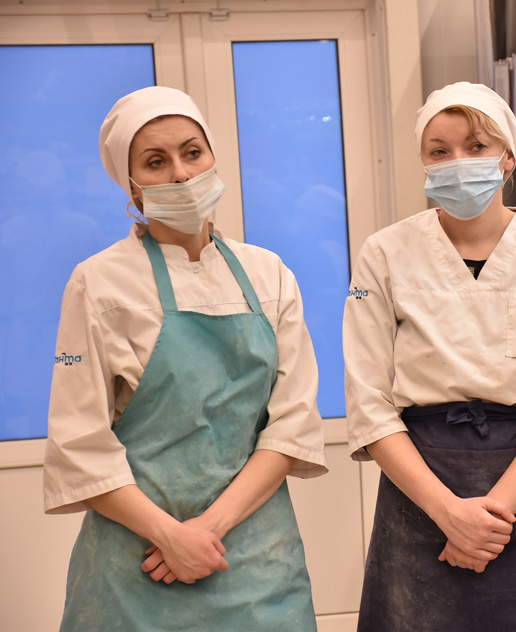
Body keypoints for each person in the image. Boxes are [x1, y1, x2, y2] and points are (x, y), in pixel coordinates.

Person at [43, 86, 327, 631]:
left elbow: (291, 425)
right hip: (138, 562)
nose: (180, 174)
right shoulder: (99, 283)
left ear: (213, 157)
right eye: (156, 162)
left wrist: (207, 530)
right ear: (131, 184)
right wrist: (169, 536)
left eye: (192, 153)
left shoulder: (269, 274)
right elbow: (80, 443)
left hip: (254, 559)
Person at [342, 82, 516, 632]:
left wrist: (488, 519)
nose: (458, 162)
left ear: (508, 158)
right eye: (439, 151)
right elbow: (369, 404)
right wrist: (448, 513)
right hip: (422, 496)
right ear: (423, 162)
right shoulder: (384, 253)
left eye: (477, 146)